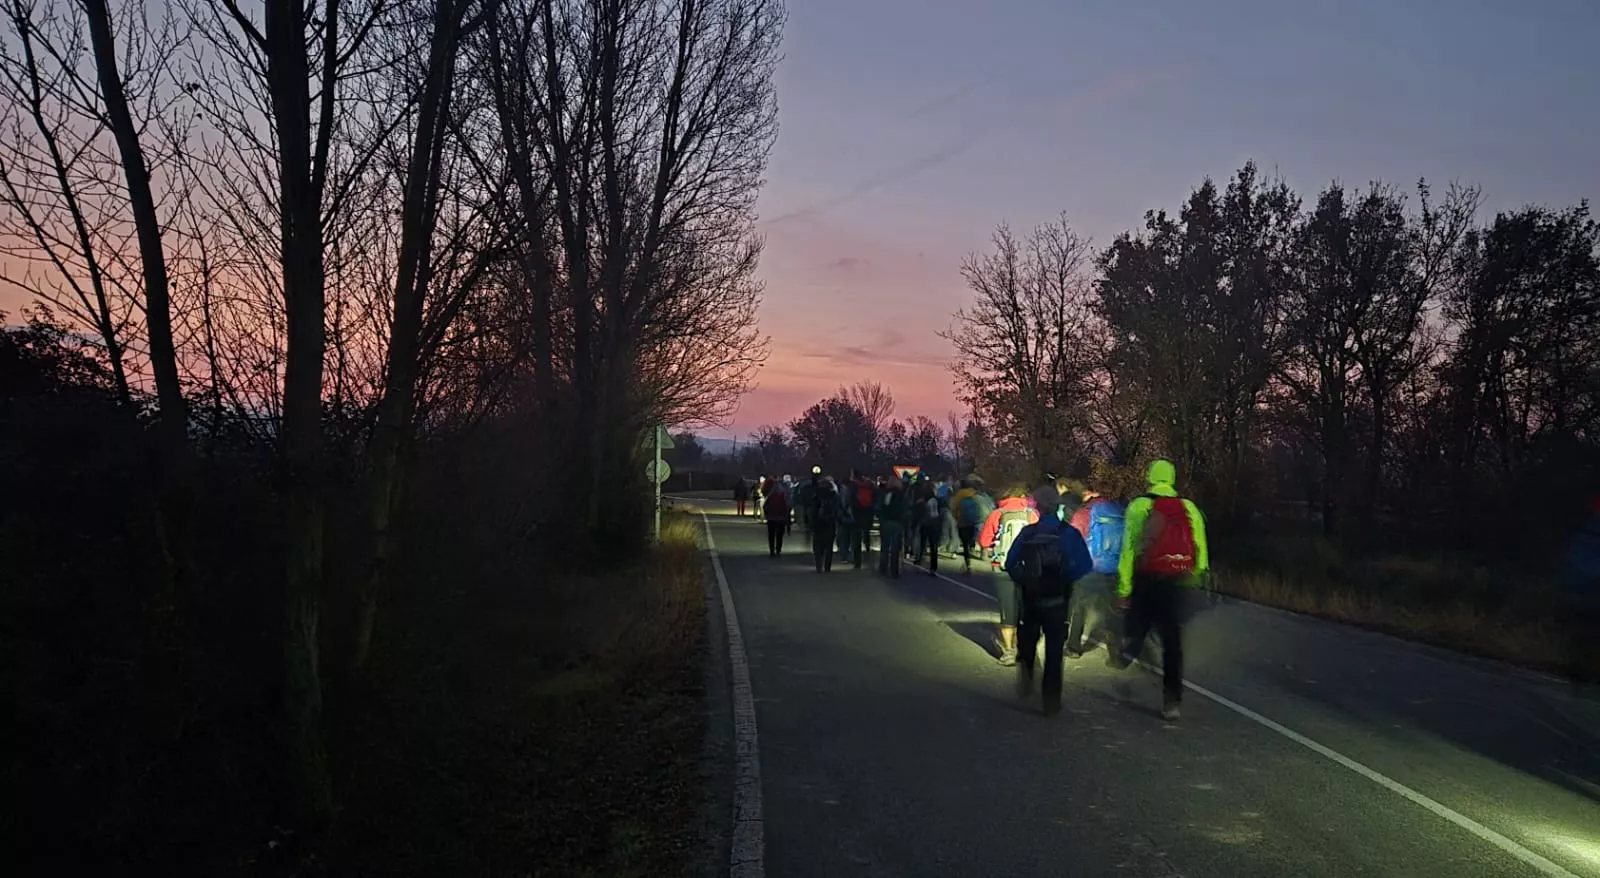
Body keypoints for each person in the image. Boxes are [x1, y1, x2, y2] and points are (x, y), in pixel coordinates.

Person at [1110, 459, 1209, 722]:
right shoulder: (1188, 508)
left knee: (1138, 622)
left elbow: (1128, 551)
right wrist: (1192, 578)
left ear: (1150, 477)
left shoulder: (1139, 507)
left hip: (1145, 578)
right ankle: (1172, 701)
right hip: (1175, 582)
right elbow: (1200, 547)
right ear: (1173, 478)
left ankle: (1130, 649)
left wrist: (1124, 588)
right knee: (1172, 642)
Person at [1005, 483, 1093, 716]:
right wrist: (1065, 580)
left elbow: (1009, 564)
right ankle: (1051, 700)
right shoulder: (1069, 534)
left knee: (1028, 641)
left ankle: (1026, 673)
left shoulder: (1029, 533)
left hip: (1031, 598)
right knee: (1054, 649)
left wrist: (1024, 580)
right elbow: (1085, 565)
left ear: (1038, 507)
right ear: (1057, 505)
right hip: (1058, 600)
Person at [980, 486, 1040, 665]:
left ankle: (1008, 651)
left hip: (1002, 567)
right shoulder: (1032, 514)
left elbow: (984, 540)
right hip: (1027, 569)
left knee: (1007, 611)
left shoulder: (997, 513)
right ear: (1024, 497)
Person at [1066, 489, 1125, 657]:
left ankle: (1073, 647)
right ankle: (1116, 652)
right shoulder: (1118, 511)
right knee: (1109, 610)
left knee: (1079, 607)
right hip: (1113, 567)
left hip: (1089, 567)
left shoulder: (1085, 512)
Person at [877, 475, 909, 579]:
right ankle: (894, 571)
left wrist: (882, 519)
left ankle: (883, 568)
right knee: (895, 549)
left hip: (887, 522)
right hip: (897, 523)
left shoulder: (885, 494)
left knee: (885, 547)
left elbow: (881, 508)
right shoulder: (901, 495)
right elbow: (905, 509)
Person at [912, 478, 944, 576]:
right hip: (935, 524)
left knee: (922, 543)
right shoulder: (938, 500)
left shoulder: (922, 501)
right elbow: (941, 513)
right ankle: (933, 567)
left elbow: (919, 513)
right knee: (933, 546)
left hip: (925, 524)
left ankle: (919, 561)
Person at [811, 476, 841, 573]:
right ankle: (827, 566)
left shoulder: (816, 495)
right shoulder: (834, 495)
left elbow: (812, 510)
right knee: (829, 545)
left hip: (818, 523)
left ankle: (819, 565)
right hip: (830, 522)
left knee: (818, 545)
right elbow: (837, 509)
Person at [846, 469, 876, 568]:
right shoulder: (869, 485)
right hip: (867, 513)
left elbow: (849, 500)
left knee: (856, 539)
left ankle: (857, 561)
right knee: (866, 534)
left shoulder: (853, 486)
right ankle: (868, 552)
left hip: (856, 514)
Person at [763, 475, 791, 557]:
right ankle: (778, 549)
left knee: (771, 535)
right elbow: (787, 507)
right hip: (781, 518)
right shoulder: (784, 496)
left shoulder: (770, 496)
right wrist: (787, 519)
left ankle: (772, 550)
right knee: (779, 535)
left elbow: (765, 506)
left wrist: (767, 515)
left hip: (772, 518)